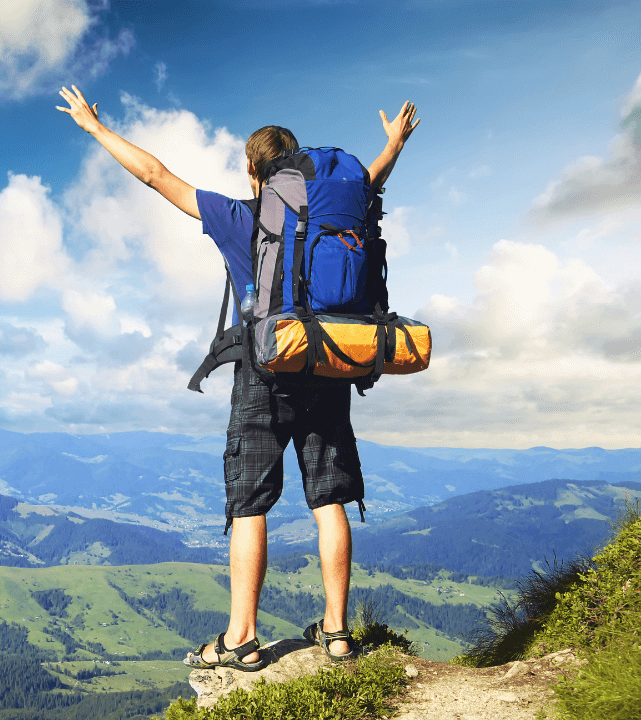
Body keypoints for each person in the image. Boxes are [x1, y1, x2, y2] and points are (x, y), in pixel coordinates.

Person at [56, 86, 419, 670]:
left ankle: (242, 639)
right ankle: (338, 632)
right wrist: (394, 143)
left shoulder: (239, 215)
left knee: (250, 506)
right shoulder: (335, 206)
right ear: (297, 166)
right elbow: (369, 179)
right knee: (329, 502)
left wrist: (95, 131)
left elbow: (156, 175)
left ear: (253, 170)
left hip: (263, 370)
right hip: (324, 359)